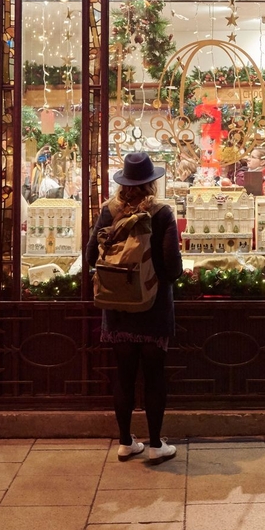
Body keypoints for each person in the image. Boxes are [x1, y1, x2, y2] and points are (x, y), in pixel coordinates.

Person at [86, 152, 182, 465]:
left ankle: (126, 442)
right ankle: (156, 444)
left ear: (124, 182)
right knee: (154, 376)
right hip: (153, 308)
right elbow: (173, 267)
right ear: (152, 183)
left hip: (117, 307)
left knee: (124, 376)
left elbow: (90, 257)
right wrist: (154, 280)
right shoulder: (162, 213)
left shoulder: (108, 211)